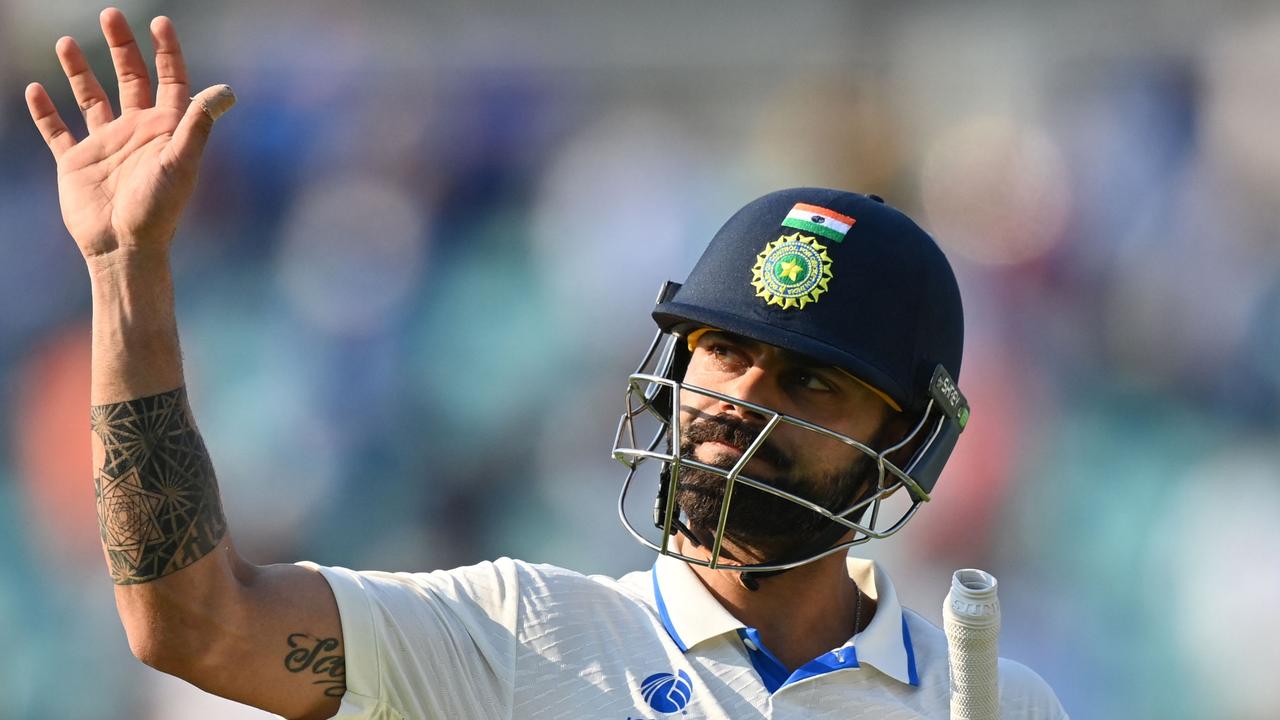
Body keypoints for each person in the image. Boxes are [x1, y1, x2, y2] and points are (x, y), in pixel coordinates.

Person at [25, 8, 1066, 719]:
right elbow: (194, 624)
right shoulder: (522, 635)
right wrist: (128, 270)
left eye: (809, 381)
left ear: (905, 441)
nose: (740, 399)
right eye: (726, 352)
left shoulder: (988, 697)